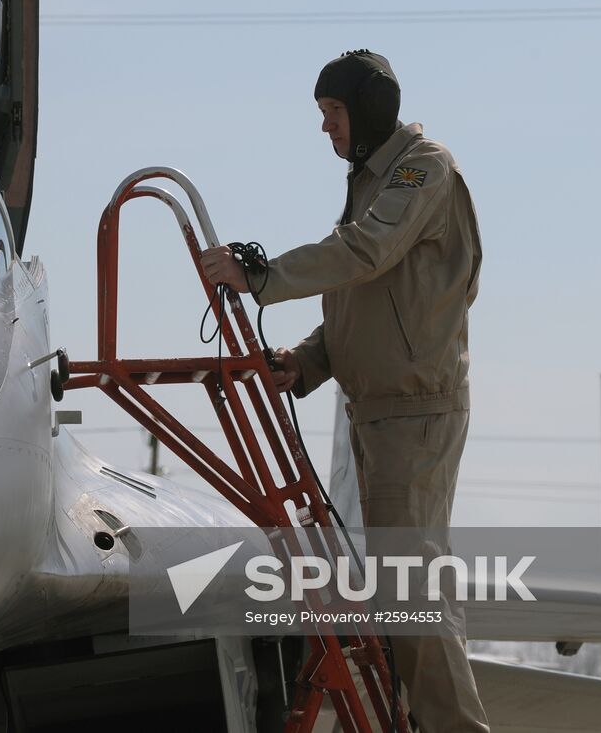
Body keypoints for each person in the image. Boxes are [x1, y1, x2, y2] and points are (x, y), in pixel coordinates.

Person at [199, 49, 488, 733]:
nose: (324, 128)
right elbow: (371, 300)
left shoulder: (422, 170)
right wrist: (306, 362)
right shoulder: (372, 180)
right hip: (380, 411)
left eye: (332, 113)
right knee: (396, 600)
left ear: (369, 111)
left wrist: (262, 277)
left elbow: (365, 254)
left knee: (414, 598)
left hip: (414, 413)